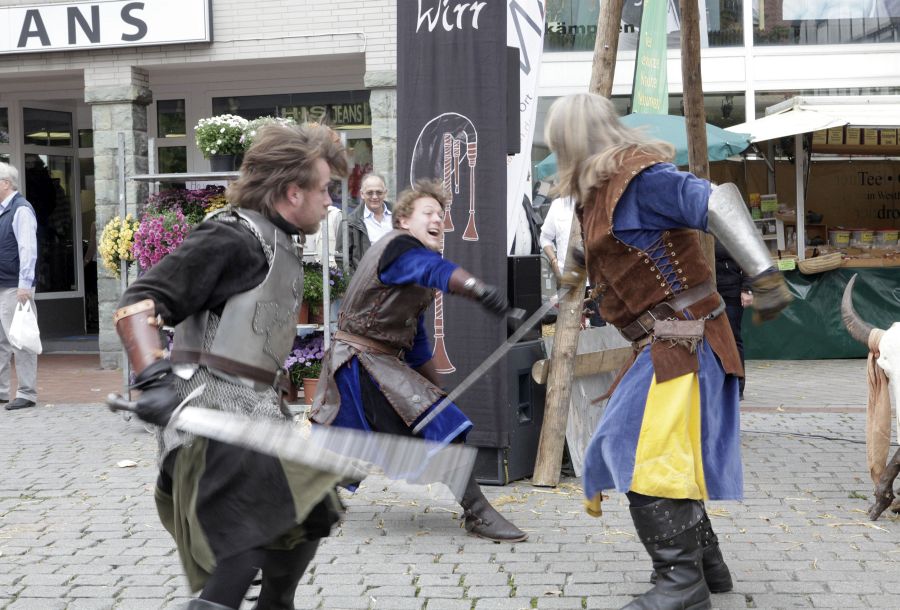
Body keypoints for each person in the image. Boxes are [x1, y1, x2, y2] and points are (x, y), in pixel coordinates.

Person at [544, 93, 792, 610]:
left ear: (572, 140)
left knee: (634, 449)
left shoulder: (642, 177)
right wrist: (572, 272)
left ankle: (681, 583)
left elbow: (715, 202)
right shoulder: (597, 192)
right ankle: (706, 564)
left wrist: (765, 274)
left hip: (686, 338)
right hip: (663, 341)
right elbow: (601, 243)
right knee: (659, 452)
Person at [114, 123, 348, 610]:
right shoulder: (232, 236)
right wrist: (154, 381)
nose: (330, 202)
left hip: (256, 414)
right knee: (244, 543)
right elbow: (140, 301)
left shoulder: (280, 241)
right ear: (292, 191)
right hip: (210, 417)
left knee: (310, 513)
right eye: (325, 189)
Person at [310, 179, 528, 543]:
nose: (438, 220)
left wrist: (436, 388)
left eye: (441, 215)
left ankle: (316, 498)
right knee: (441, 427)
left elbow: (415, 341)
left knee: (355, 440)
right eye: (428, 213)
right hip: (361, 364)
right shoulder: (400, 248)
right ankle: (478, 512)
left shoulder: (410, 266)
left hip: (363, 363)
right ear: (403, 221)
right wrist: (478, 290)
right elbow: (437, 272)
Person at [0, 163, 39, 412]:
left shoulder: (21, 209)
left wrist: (25, 284)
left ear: (5, 183)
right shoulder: (3, 210)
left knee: (21, 340)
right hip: (3, 284)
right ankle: (1, 390)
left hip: (15, 287)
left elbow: (28, 249)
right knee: (1, 342)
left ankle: (26, 392)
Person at [539, 195, 604, 328]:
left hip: (596, 280)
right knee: (570, 328)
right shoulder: (558, 205)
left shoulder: (598, 201)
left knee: (599, 328)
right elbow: (545, 238)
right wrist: (554, 261)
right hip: (568, 279)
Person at [714, 239, 753, 400]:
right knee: (711, 340)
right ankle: (717, 385)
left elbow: (748, 260)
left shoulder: (731, 231)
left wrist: (747, 289)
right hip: (707, 293)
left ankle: (737, 386)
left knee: (732, 338)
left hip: (731, 291)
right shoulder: (700, 231)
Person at [337, 173, 393, 271]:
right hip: (369, 279)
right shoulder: (350, 223)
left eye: (379, 192)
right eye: (370, 193)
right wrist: (358, 279)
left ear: (385, 193)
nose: (375, 197)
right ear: (362, 194)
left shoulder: (400, 215)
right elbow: (342, 260)